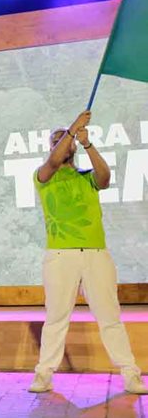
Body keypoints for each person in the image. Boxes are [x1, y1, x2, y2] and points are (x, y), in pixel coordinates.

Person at [29, 110, 147, 395]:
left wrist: (87, 143)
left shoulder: (86, 178)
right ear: (52, 147)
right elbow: (54, 161)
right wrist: (73, 129)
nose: (61, 142)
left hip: (96, 254)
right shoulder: (44, 176)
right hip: (60, 257)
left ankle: (130, 374)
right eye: (56, 140)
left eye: (64, 139)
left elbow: (105, 178)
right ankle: (44, 375)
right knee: (57, 317)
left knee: (110, 316)